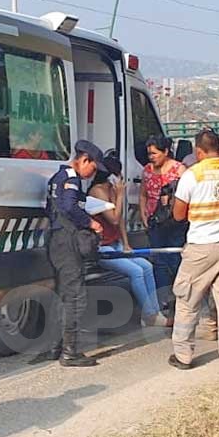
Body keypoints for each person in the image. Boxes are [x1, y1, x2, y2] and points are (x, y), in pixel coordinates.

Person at [168, 129, 219, 377]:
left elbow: (178, 215)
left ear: (198, 151)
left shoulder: (192, 175)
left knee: (187, 300)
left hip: (201, 246)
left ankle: (183, 355)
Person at [46, 140, 107, 367]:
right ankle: (70, 352)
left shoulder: (57, 178)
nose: (93, 173)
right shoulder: (71, 179)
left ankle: (55, 347)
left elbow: (51, 208)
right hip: (67, 242)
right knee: (74, 297)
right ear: (84, 160)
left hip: (55, 240)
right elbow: (69, 207)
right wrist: (90, 223)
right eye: (93, 167)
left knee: (62, 294)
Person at [89, 154, 169, 327]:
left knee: (146, 266)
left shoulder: (111, 189)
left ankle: (155, 312)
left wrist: (126, 243)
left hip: (116, 244)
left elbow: (122, 221)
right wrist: (119, 196)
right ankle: (149, 314)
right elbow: (114, 219)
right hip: (103, 247)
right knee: (135, 271)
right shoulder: (97, 191)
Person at [141, 134, 189, 306]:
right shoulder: (147, 170)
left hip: (174, 221)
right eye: (149, 154)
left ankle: (180, 296)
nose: (152, 157)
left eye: (155, 153)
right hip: (155, 221)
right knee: (158, 261)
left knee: (175, 258)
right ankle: (164, 297)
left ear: (166, 152)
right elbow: (143, 194)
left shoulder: (179, 170)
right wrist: (144, 214)